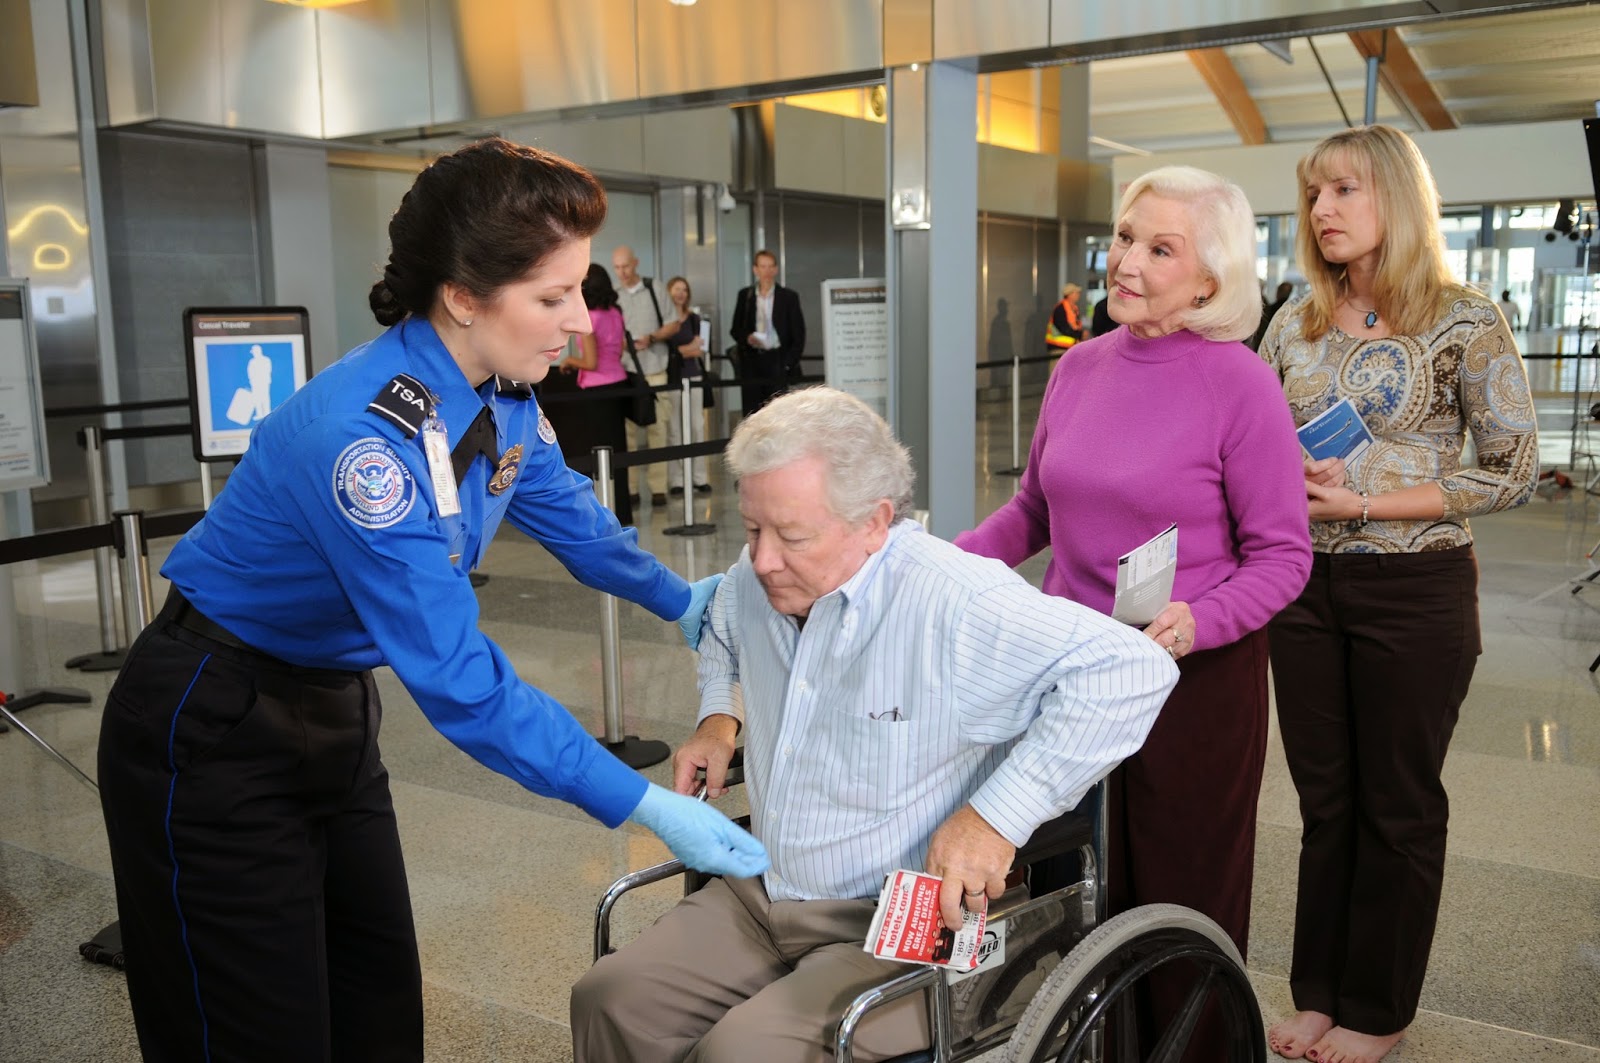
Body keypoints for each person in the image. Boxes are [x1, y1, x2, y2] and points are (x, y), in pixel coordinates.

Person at [95, 138, 767, 1063]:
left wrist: (680, 599)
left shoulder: (499, 392)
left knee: (376, 1002)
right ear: (462, 295)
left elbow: (568, 514)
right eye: (551, 297)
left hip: (332, 710)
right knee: (252, 1028)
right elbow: (463, 684)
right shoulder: (365, 446)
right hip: (215, 724)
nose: (578, 321)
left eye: (576, 291)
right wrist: (644, 805)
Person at [571, 387, 1179, 1063]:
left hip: (900, 922)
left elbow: (1132, 669)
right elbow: (720, 623)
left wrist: (996, 818)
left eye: (792, 536)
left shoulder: (954, 601)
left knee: (740, 1053)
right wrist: (719, 715)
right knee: (608, 997)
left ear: (874, 522)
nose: (763, 558)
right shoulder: (758, 576)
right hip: (768, 892)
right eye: (751, 529)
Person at [956, 165, 1312, 1062]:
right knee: (1064, 888)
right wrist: (937, 567)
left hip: (1190, 681)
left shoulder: (1240, 384)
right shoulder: (1079, 367)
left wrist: (1197, 619)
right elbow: (1032, 512)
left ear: (1209, 280)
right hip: (1068, 672)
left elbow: (1283, 556)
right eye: (1123, 238)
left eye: (1161, 248)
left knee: (1176, 895)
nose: (1127, 262)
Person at [1259, 125, 1538, 1063]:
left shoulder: (1465, 319)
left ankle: (1379, 1008)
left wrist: (1367, 499)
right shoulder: (1291, 322)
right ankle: (1319, 993)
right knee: (1325, 800)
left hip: (1413, 582)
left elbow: (1513, 468)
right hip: (1305, 588)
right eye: (1312, 194)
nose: (1322, 210)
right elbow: (1254, 452)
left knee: (1398, 803)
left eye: (1342, 190)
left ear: (1395, 198)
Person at [548, 263, 634, 524]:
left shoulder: (590, 319)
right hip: (618, 383)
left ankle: (603, 512)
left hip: (595, 392)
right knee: (618, 452)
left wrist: (571, 361)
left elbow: (591, 362)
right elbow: (618, 351)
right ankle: (623, 510)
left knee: (597, 455)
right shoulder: (615, 313)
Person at [610, 245, 676, 508]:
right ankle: (632, 489)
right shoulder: (613, 297)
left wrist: (653, 337)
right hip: (626, 370)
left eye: (625, 266)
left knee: (658, 428)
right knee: (627, 434)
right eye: (617, 267)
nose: (622, 272)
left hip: (655, 367)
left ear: (635, 263)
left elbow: (673, 323)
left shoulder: (654, 288)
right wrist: (621, 344)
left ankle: (658, 487)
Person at [730, 249, 806, 415]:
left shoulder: (788, 297)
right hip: (752, 360)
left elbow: (798, 334)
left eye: (770, 267)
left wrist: (787, 363)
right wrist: (747, 338)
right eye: (763, 267)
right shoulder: (746, 296)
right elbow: (735, 329)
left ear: (776, 269)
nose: (767, 271)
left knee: (779, 413)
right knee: (752, 412)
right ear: (755, 269)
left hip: (778, 359)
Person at [664, 275, 712, 496]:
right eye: (676, 289)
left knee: (696, 426)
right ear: (669, 292)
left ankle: (699, 478)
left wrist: (680, 351)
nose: (680, 293)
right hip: (671, 379)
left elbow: (700, 350)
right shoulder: (664, 320)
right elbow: (666, 352)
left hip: (694, 377)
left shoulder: (694, 319)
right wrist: (685, 349)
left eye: (684, 289)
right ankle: (677, 480)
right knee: (674, 429)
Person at [1044, 282, 1084, 352]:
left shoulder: (1074, 309)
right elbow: (1064, 328)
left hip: (1069, 347)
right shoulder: (1060, 309)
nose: (1078, 295)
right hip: (1058, 347)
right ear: (1069, 294)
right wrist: (1080, 334)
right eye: (1076, 293)